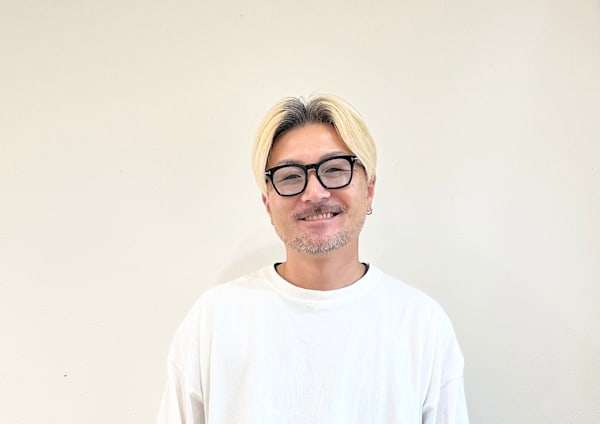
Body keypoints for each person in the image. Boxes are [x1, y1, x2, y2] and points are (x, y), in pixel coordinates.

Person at [157, 94, 469, 423]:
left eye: (334, 170)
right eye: (290, 176)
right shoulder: (214, 321)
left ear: (369, 190)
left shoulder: (421, 325)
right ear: (267, 202)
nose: (314, 193)